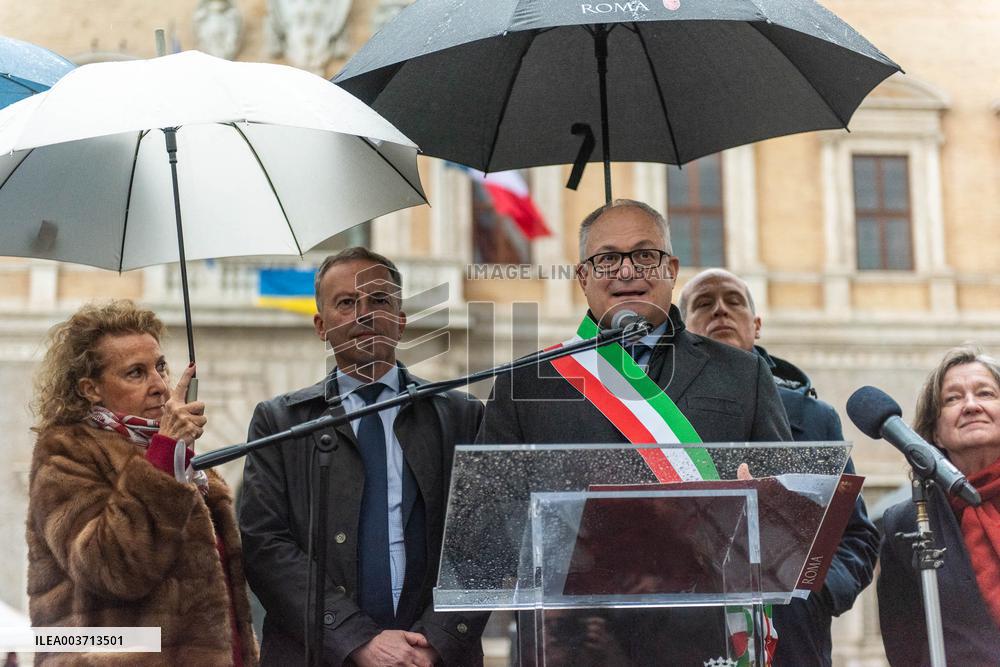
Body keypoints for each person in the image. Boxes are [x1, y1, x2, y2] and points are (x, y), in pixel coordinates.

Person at [476, 199, 791, 666]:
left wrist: (758, 503)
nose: (626, 271)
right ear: (583, 276)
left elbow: (787, 501)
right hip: (571, 636)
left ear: (671, 269)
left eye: (645, 255)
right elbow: (488, 513)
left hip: (703, 636)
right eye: (607, 258)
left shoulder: (741, 374)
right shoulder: (527, 382)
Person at [239, 247, 486, 667]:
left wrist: (435, 639)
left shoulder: (462, 416)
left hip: (434, 657)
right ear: (321, 325)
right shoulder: (280, 422)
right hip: (318, 654)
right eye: (347, 303)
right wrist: (356, 639)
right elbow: (266, 547)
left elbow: (485, 541)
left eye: (379, 301)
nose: (364, 314)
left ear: (402, 320)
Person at [27, 300, 258, 666]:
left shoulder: (183, 463)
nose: (160, 386)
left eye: (160, 367)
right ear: (91, 389)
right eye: (136, 373)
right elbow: (114, 568)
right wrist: (164, 457)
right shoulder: (66, 452)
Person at [679, 268, 880, 667]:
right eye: (704, 303)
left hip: (791, 640)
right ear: (683, 333)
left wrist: (816, 592)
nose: (720, 310)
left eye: (733, 301)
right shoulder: (658, 423)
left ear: (756, 325)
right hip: (686, 638)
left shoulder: (814, 418)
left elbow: (856, 537)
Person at [878, 346, 1000, 665]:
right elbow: (904, 643)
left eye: (985, 393)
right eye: (953, 399)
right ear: (935, 433)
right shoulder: (907, 522)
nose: (971, 406)